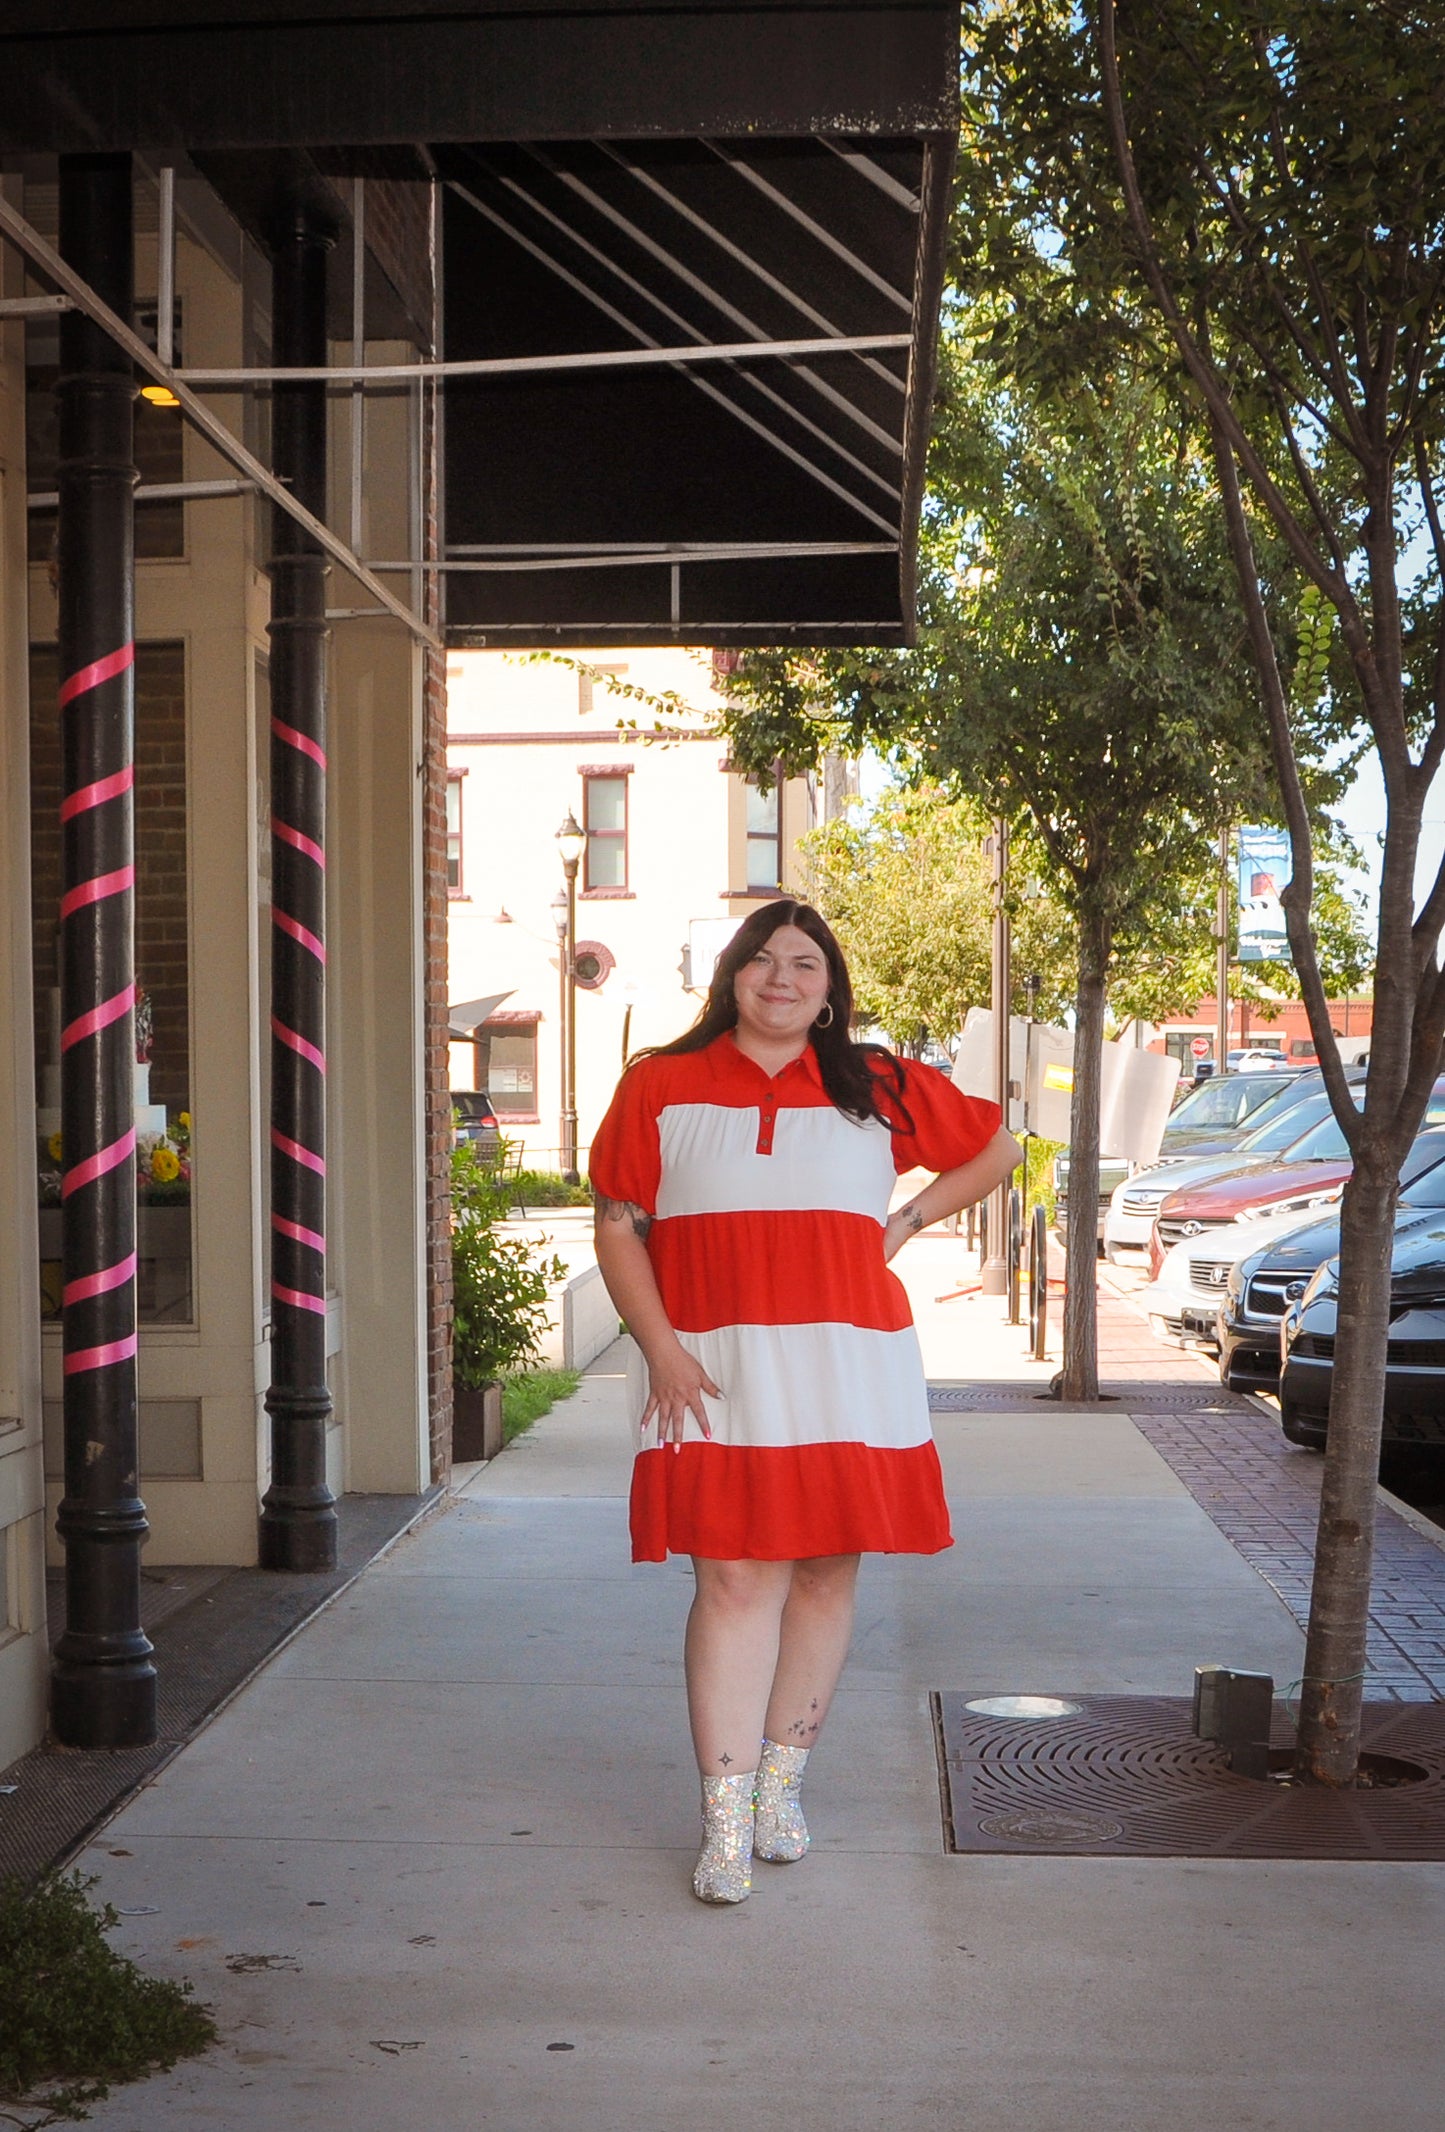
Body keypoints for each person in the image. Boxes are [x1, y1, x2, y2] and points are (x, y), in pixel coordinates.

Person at [589, 900, 1022, 1904]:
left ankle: (782, 1788)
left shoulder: (873, 1083)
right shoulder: (660, 1082)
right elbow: (617, 1227)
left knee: (825, 1576)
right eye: (760, 960)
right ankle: (722, 1819)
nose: (779, 978)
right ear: (730, 975)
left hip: (849, 1364)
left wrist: (906, 1218)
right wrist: (660, 1348)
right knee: (733, 1583)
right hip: (709, 1367)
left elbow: (998, 1148)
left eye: (803, 963)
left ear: (829, 988)